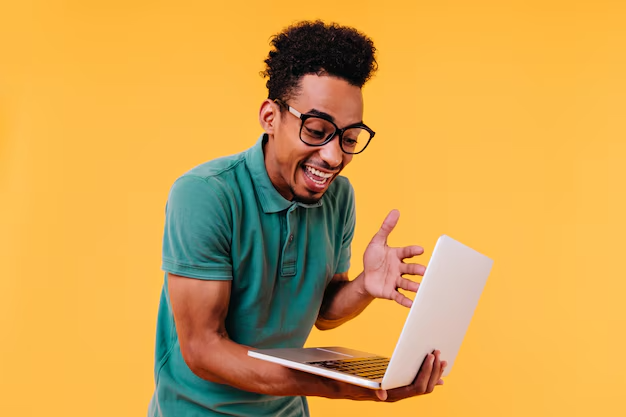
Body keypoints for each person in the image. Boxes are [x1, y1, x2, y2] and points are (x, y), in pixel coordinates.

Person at [148, 20, 446, 417]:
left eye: (350, 138)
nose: (334, 157)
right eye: (317, 130)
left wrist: (364, 286)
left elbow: (322, 313)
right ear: (270, 117)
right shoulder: (205, 195)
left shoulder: (339, 197)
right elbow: (203, 349)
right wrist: (347, 386)